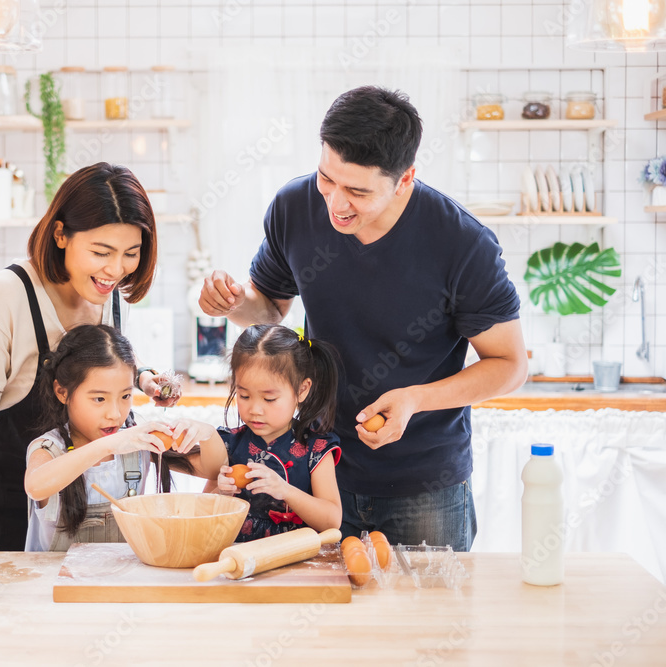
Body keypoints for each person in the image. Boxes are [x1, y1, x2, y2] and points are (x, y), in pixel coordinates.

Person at [199, 87, 528, 551]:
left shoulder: (462, 244)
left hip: (425, 484)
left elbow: (510, 364)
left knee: (429, 617)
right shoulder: (294, 207)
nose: (336, 203)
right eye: (327, 179)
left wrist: (414, 399)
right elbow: (270, 309)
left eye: (357, 191)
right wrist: (233, 304)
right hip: (316, 471)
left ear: (405, 178)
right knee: (322, 617)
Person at [0, 163, 178, 553]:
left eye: (131, 254)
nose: (115, 269)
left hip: (83, 520)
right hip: (6, 515)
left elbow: (96, 366)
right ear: (60, 234)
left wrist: (142, 377)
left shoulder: (108, 293)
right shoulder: (6, 296)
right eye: (101, 252)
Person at [24, 324, 226, 551]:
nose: (115, 413)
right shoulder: (49, 448)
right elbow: (35, 487)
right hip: (58, 584)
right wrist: (109, 444)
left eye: (126, 396)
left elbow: (213, 470)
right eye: (99, 399)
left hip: (121, 582)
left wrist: (208, 433)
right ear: (62, 392)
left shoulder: (135, 441)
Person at [207, 324, 342, 542]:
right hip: (238, 559)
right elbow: (202, 510)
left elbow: (332, 520)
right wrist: (220, 494)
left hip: (295, 561)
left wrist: (285, 491)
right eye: (244, 396)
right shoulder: (227, 444)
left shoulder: (315, 449)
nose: (255, 410)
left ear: (302, 390)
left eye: (269, 399)